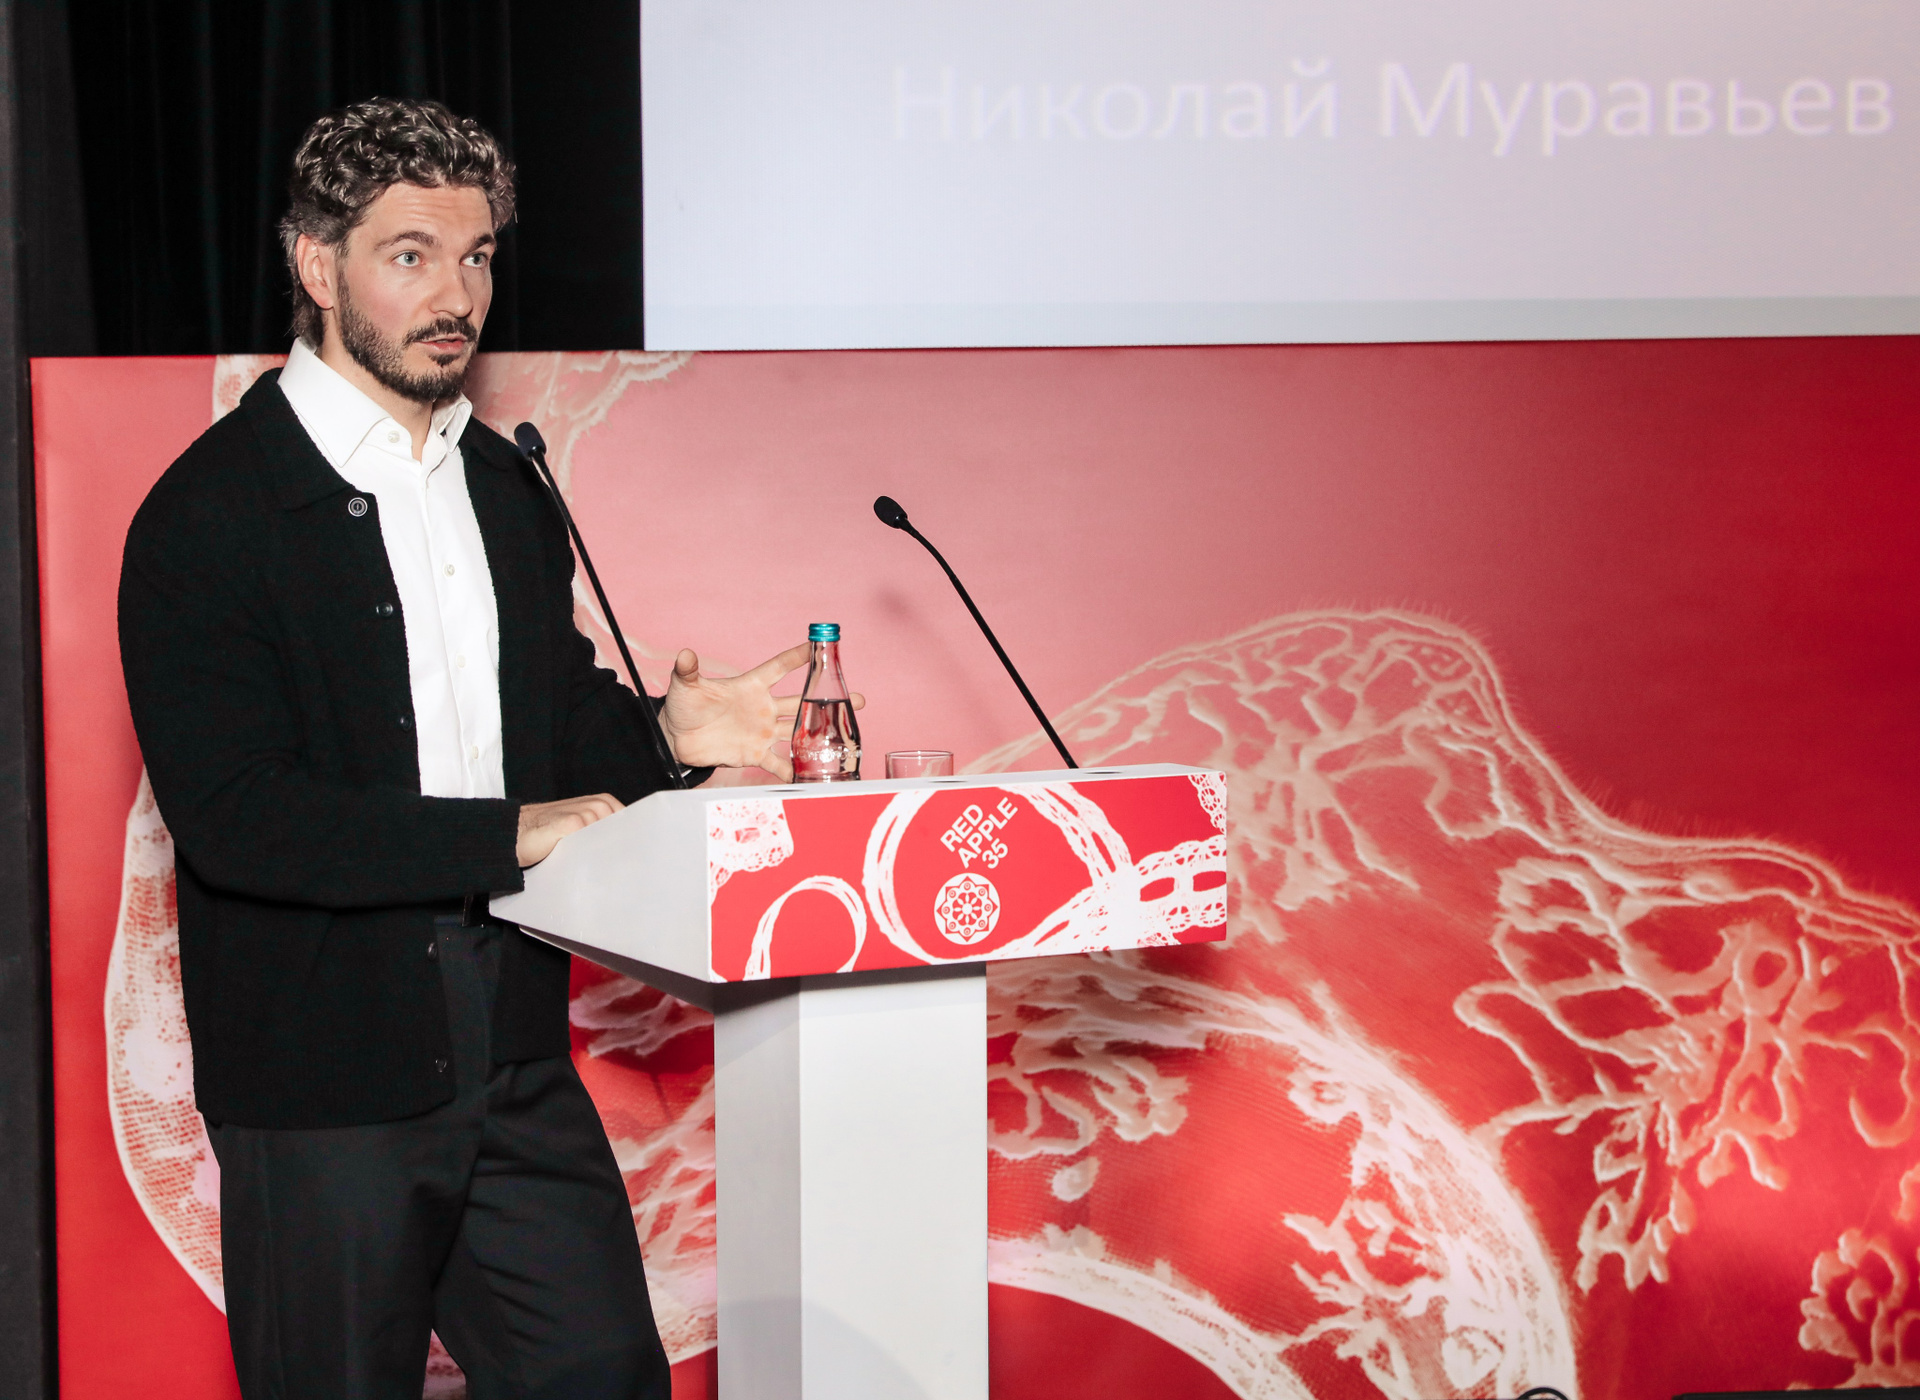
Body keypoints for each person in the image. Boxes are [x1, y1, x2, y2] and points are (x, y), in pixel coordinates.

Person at [118, 97, 831, 1400]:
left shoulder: (505, 489)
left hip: (514, 1056)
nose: (457, 296)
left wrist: (668, 737)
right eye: (411, 256)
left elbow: (553, 728)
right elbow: (238, 816)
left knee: (607, 1376)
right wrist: (503, 835)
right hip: (322, 1083)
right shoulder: (208, 513)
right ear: (317, 265)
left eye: (478, 256)